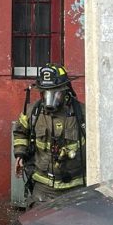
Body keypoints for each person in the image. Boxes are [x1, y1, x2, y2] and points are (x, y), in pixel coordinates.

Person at [12, 63, 86, 205]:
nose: (49, 98)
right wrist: (20, 154)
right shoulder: (33, 112)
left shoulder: (82, 113)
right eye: (45, 93)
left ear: (65, 91)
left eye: (54, 93)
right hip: (42, 186)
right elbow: (21, 132)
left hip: (74, 186)